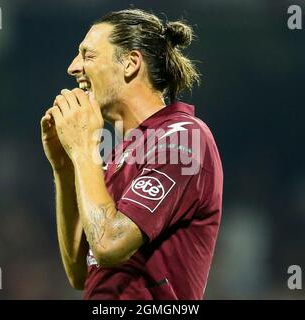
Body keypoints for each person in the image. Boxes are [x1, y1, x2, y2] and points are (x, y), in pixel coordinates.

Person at [40, 8, 223, 299]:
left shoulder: (183, 139)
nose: (73, 67)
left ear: (130, 63)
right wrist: (64, 166)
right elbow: (81, 273)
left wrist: (85, 149)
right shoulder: (122, 155)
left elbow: (109, 244)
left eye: (88, 56)